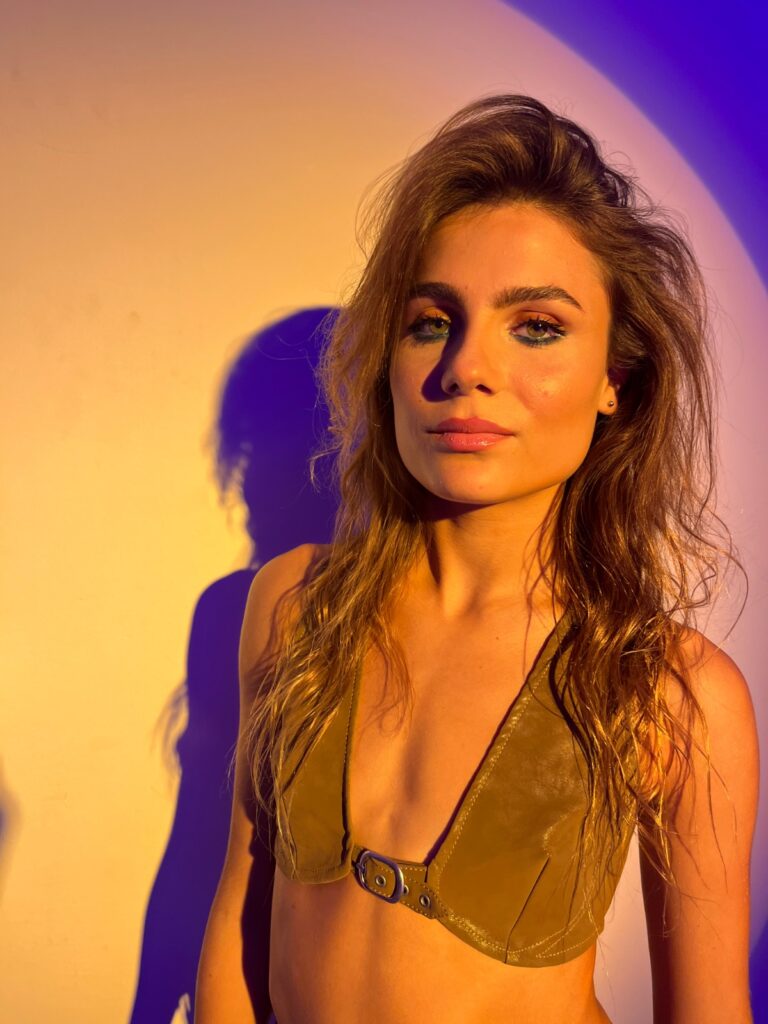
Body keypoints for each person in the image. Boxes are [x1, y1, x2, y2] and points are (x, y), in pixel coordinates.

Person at [194, 95, 759, 1024]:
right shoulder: (293, 604)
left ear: (615, 379)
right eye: (431, 321)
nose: (465, 368)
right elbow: (238, 915)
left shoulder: (670, 692)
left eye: (535, 326)